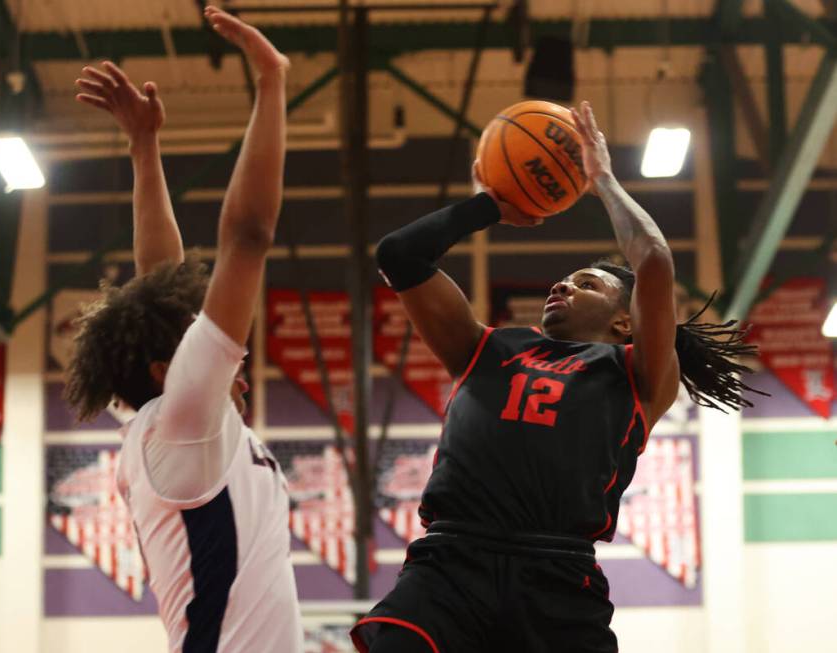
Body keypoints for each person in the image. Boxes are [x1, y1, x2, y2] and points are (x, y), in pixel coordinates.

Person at [351, 101, 760, 653]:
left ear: (625, 321)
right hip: (451, 563)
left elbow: (655, 260)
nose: (562, 286)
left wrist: (603, 181)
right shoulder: (486, 347)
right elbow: (400, 255)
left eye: (585, 284)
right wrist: (487, 207)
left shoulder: (637, 375)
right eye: (563, 280)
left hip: (555, 577)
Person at [64, 7, 303, 652]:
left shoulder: (174, 425)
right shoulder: (184, 424)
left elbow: (160, 279)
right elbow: (247, 238)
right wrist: (273, 83)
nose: (240, 367)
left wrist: (144, 150)